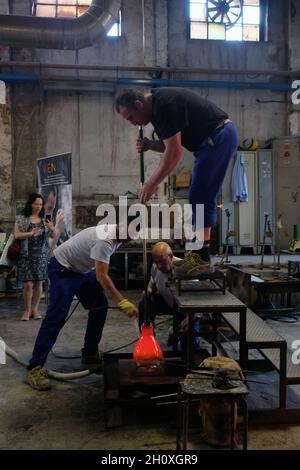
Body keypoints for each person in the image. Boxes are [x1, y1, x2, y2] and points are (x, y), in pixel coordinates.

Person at [115, 87, 238, 266]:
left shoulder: (165, 104)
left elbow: (174, 153)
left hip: (219, 136)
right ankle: (199, 252)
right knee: (198, 195)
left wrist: (151, 184)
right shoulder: (156, 110)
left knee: (202, 195)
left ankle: (201, 256)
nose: (132, 123)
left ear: (138, 104)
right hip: (208, 143)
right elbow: (171, 145)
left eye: (131, 117)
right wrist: (151, 145)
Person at [26, 223, 138, 391]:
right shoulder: (104, 239)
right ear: (120, 225)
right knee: (57, 315)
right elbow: (101, 276)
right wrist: (121, 300)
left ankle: (90, 353)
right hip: (63, 268)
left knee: (99, 305)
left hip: (80, 271)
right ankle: (35, 367)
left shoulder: (121, 235)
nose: (128, 239)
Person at [138, 241, 200, 351]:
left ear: (171, 256)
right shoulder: (155, 267)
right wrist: (148, 290)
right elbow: (153, 283)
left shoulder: (186, 269)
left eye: (162, 261)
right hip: (168, 303)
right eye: (156, 262)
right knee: (144, 304)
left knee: (190, 349)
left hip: (189, 309)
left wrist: (191, 317)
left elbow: (199, 299)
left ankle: (180, 332)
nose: (159, 265)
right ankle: (148, 340)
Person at [14, 193, 55, 321]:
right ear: (30, 204)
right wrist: (30, 233)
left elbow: (52, 237)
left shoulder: (45, 219)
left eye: (41, 204)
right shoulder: (22, 218)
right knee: (27, 284)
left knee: (39, 283)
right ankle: (26, 310)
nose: (38, 206)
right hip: (26, 255)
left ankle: (35, 309)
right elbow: (17, 235)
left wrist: (52, 229)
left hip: (41, 256)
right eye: (36, 203)